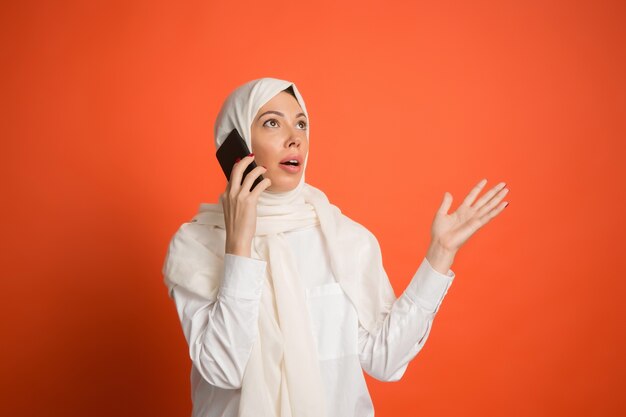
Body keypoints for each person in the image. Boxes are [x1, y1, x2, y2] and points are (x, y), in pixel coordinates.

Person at [162, 77, 510, 417]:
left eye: (301, 125)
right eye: (272, 123)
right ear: (235, 142)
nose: (294, 138)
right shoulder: (196, 246)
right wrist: (239, 242)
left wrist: (440, 255)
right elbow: (225, 370)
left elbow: (384, 360)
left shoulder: (344, 240)